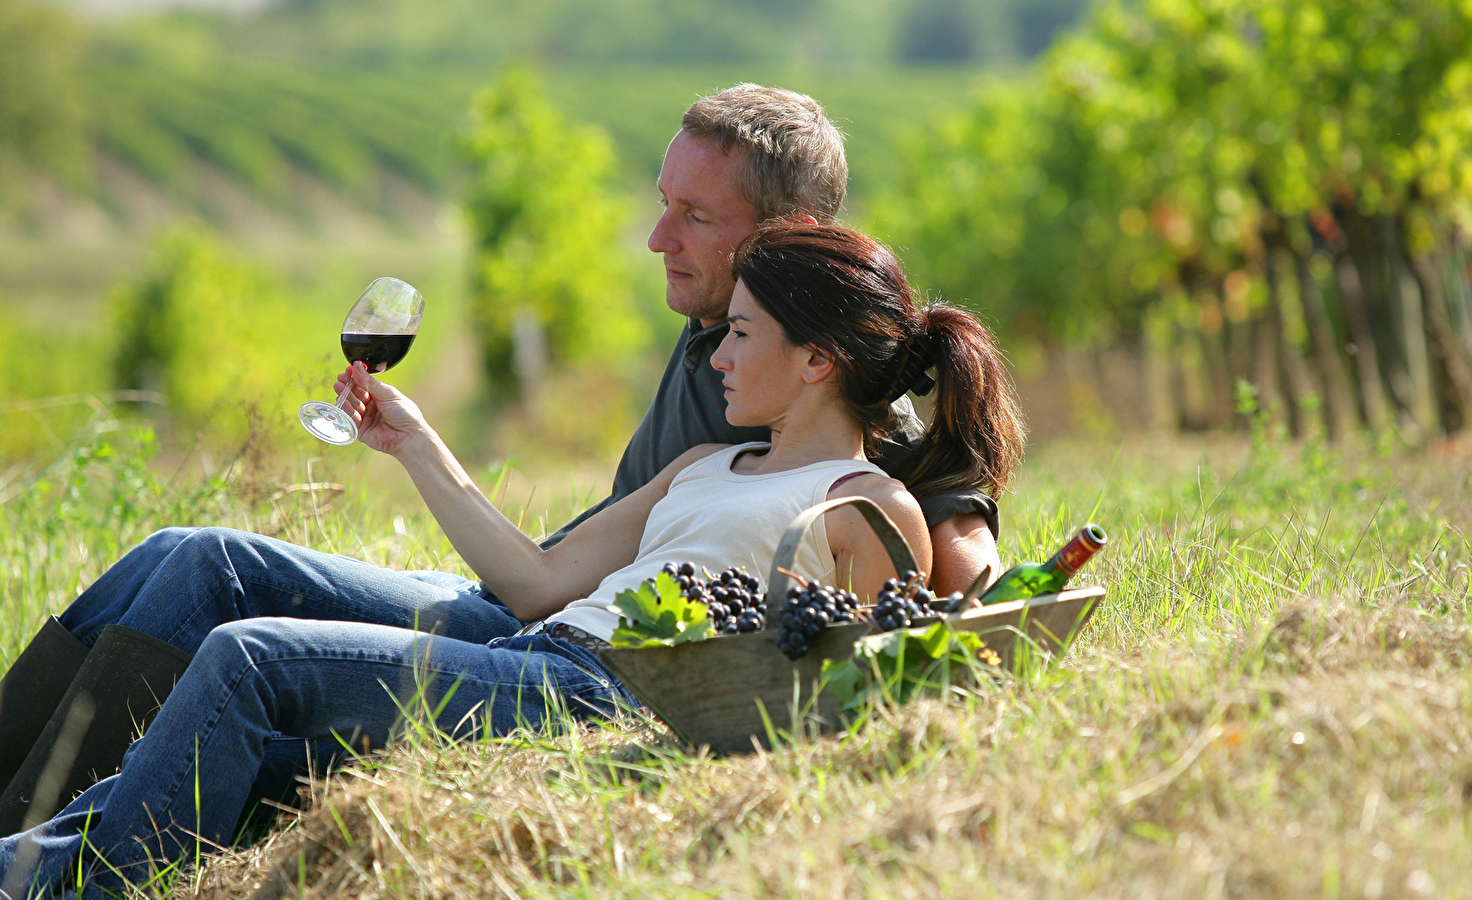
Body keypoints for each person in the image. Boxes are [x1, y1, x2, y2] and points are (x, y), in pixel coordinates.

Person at [0, 83, 1007, 836]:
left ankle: (53, 853)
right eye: (665, 202)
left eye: (695, 216)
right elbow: (541, 576)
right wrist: (418, 440)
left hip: (579, 650)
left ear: (793, 244)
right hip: (541, 604)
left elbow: (929, 523)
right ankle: (19, 800)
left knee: (247, 661)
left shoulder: (804, 373)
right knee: (193, 553)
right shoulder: (721, 328)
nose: (659, 236)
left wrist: (964, 566)